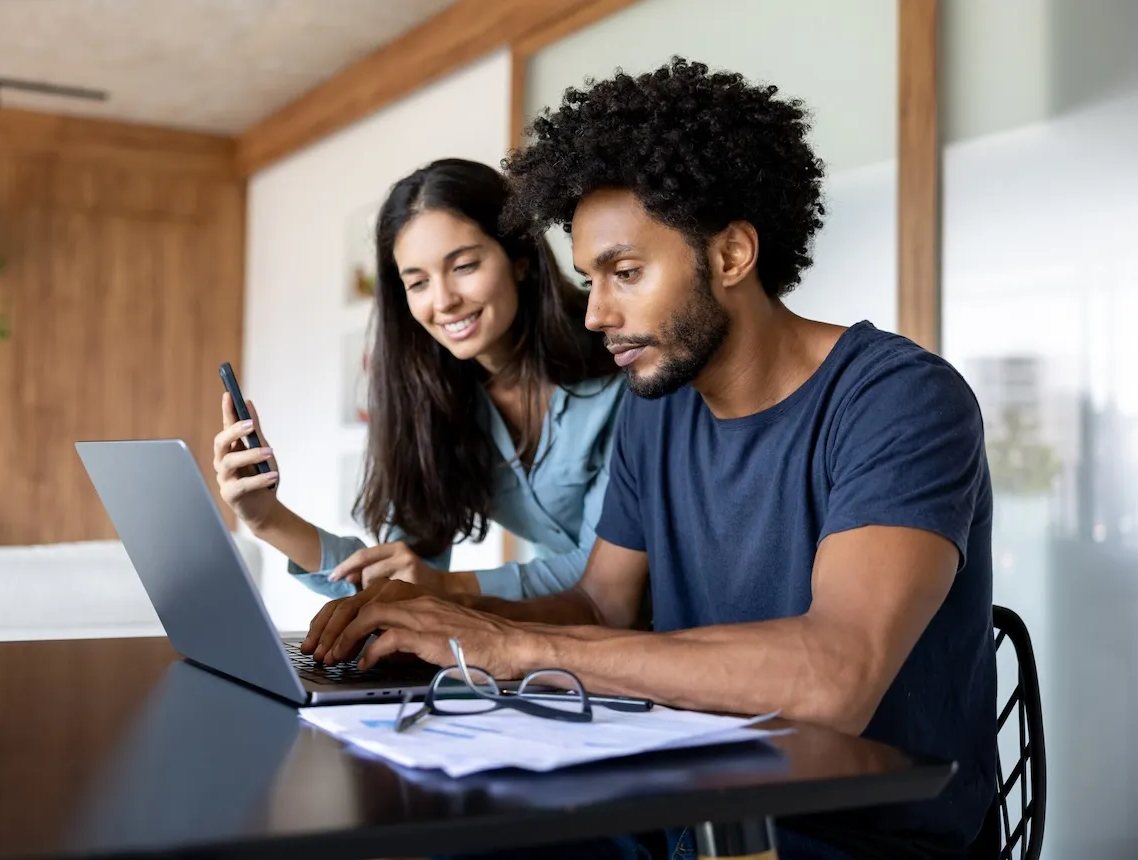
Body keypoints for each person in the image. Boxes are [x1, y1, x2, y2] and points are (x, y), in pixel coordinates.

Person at [301, 59, 998, 860]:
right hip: (675, 798)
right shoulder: (655, 406)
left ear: (732, 254)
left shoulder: (897, 400)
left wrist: (514, 647)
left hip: (847, 834)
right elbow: (604, 605)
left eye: (627, 273)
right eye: (591, 277)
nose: (597, 313)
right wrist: (449, 623)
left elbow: (834, 677)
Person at [213, 158, 625, 602]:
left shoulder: (622, 363)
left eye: (464, 266)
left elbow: (606, 571)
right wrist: (266, 519)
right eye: (417, 283)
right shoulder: (439, 401)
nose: (443, 301)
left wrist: (449, 588)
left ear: (519, 259)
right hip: (570, 635)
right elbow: (402, 576)